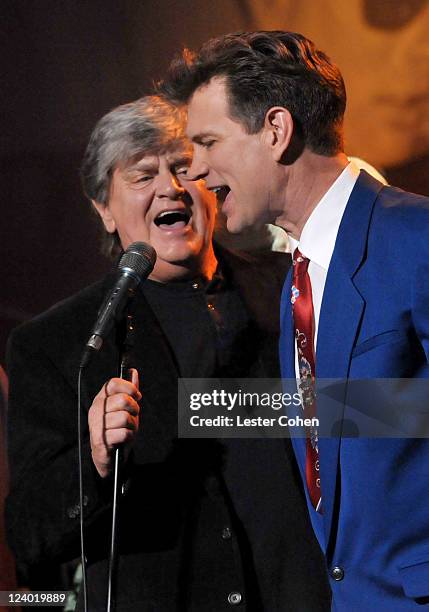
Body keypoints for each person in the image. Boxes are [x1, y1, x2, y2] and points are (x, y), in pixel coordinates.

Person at [6, 95, 330, 611]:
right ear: (104, 209)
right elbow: (30, 539)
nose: (170, 187)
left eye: (184, 167)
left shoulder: (294, 282)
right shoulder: (58, 343)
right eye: (141, 175)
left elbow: (376, 415)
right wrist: (94, 462)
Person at [160, 31, 429, 609]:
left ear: (276, 131)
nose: (196, 169)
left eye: (208, 141)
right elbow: (355, 416)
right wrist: (183, 412)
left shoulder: (416, 239)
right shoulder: (295, 284)